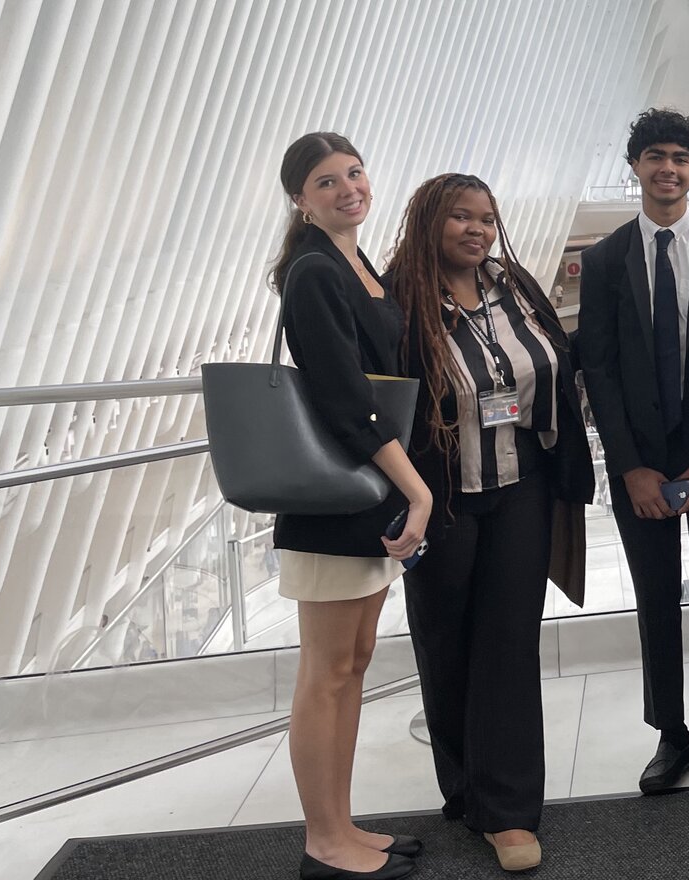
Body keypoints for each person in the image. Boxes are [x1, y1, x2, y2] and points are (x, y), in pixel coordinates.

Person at [388, 173, 595, 872]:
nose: (477, 230)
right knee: (444, 641)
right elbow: (376, 404)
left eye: (486, 218)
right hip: (440, 492)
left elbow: (555, 366)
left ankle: (507, 811)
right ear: (428, 223)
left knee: (508, 643)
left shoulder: (515, 285)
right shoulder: (400, 300)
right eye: (460, 218)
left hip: (521, 486)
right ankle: (464, 789)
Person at [578, 108, 689, 794]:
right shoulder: (603, 258)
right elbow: (599, 366)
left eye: (681, 158)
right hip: (641, 464)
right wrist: (628, 467)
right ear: (636, 167)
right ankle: (672, 735)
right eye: (655, 156)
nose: (669, 169)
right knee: (654, 596)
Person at [269, 132, 428, 880]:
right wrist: (418, 486)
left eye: (355, 173)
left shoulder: (356, 264)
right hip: (333, 500)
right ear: (300, 199)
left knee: (355, 663)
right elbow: (344, 399)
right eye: (327, 182)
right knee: (327, 671)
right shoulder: (313, 272)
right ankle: (323, 843)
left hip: (365, 495)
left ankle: (341, 825)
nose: (348, 189)